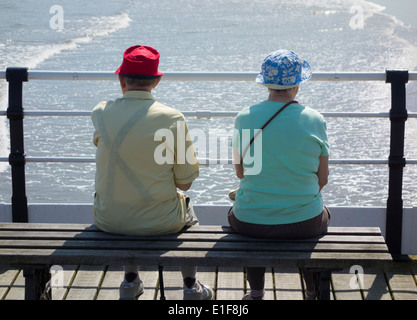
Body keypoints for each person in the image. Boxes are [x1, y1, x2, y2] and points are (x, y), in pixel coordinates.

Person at [91, 45, 212, 300]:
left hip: (108, 219)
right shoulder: (172, 118)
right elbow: (186, 183)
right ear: (156, 81)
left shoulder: (100, 112)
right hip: (160, 222)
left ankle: (130, 282)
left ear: (121, 80)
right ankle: (191, 288)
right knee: (188, 210)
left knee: (126, 202)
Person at [228, 50, 330, 300]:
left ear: (265, 83)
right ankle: (311, 291)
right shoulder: (314, 119)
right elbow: (322, 179)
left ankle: (256, 292)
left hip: (251, 222)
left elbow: (240, 172)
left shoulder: (245, 116)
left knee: (246, 210)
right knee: (318, 215)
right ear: (297, 84)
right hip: (303, 224)